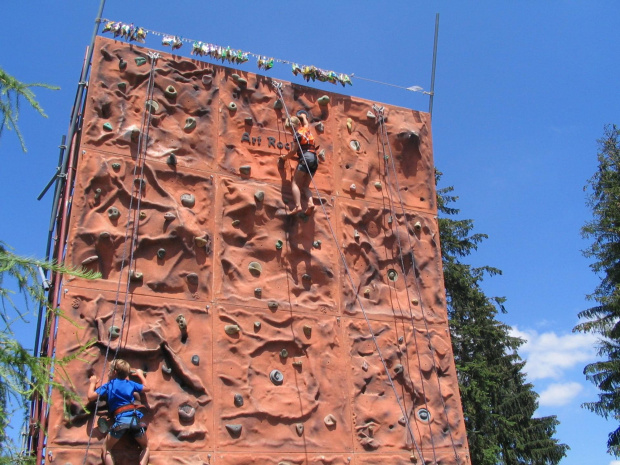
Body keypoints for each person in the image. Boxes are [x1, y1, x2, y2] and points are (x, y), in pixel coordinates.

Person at [88, 359, 150, 465]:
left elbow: (90, 397)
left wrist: (93, 383)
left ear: (115, 372)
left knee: (106, 448)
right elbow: (147, 388)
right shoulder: (130, 384)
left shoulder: (109, 385)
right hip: (134, 420)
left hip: (121, 422)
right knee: (146, 447)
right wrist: (140, 375)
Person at [280, 112, 318, 215]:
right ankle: (310, 203)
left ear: (295, 126)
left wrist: (284, 158)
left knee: (295, 183)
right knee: (305, 186)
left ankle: (298, 206)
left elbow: (293, 151)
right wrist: (304, 117)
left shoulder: (297, 135)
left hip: (305, 158)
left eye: (291, 130)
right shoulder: (305, 129)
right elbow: (306, 123)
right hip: (314, 159)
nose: (291, 133)